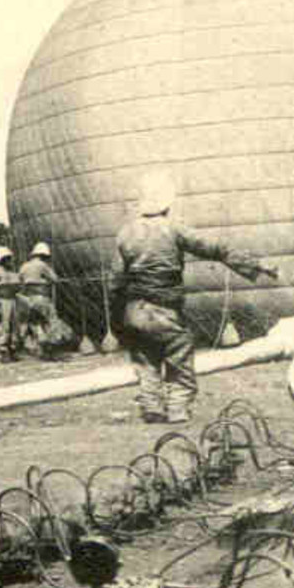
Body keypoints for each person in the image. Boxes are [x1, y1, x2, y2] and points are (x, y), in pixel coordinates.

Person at [111, 170, 276, 423]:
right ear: (167, 205)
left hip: (134, 310)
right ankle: (177, 409)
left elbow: (116, 282)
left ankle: (152, 407)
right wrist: (255, 266)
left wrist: (118, 322)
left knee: (146, 360)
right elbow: (215, 249)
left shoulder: (124, 234)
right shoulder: (173, 230)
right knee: (179, 354)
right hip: (164, 309)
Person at [15, 242, 77, 359]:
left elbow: (19, 281)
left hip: (28, 299)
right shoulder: (42, 265)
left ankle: (41, 349)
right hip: (41, 297)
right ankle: (53, 350)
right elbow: (55, 279)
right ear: (43, 255)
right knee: (51, 321)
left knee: (36, 323)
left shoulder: (24, 266)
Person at [0, 245, 22, 361]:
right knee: (4, 326)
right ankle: (3, 351)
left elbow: (18, 285)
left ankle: (13, 349)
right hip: (2, 301)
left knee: (14, 326)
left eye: (9, 258)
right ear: (1, 259)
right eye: (6, 258)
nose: (8, 260)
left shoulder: (12, 272)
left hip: (12, 300)